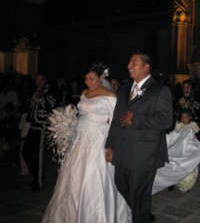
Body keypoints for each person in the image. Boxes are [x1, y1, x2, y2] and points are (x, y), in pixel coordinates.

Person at [42, 64, 131, 223]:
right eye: (86, 79)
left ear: (101, 78)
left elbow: (114, 122)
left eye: (92, 79)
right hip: (79, 138)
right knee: (72, 174)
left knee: (91, 174)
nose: (88, 82)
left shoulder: (110, 96)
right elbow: (81, 113)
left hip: (98, 139)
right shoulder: (84, 93)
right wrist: (68, 124)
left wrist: (112, 145)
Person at [105, 50, 173, 223]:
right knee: (121, 184)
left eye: (134, 62)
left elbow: (166, 121)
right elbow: (116, 119)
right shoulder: (125, 89)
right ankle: (143, 213)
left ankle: (141, 216)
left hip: (144, 153)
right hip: (123, 150)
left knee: (140, 193)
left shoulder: (159, 90)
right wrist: (111, 145)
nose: (129, 66)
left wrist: (136, 119)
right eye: (129, 63)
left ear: (146, 66)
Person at [22, 73, 56, 191]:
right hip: (32, 126)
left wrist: (40, 99)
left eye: (41, 80)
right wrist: (32, 99)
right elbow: (27, 108)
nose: (38, 82)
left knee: (40, 156)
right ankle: (36, 176)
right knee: (25, 152)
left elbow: (51, 107)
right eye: (37, 80)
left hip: (42, 128)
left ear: (45, 80)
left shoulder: (50, 93)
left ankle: (39, 182)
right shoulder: (34, 91)